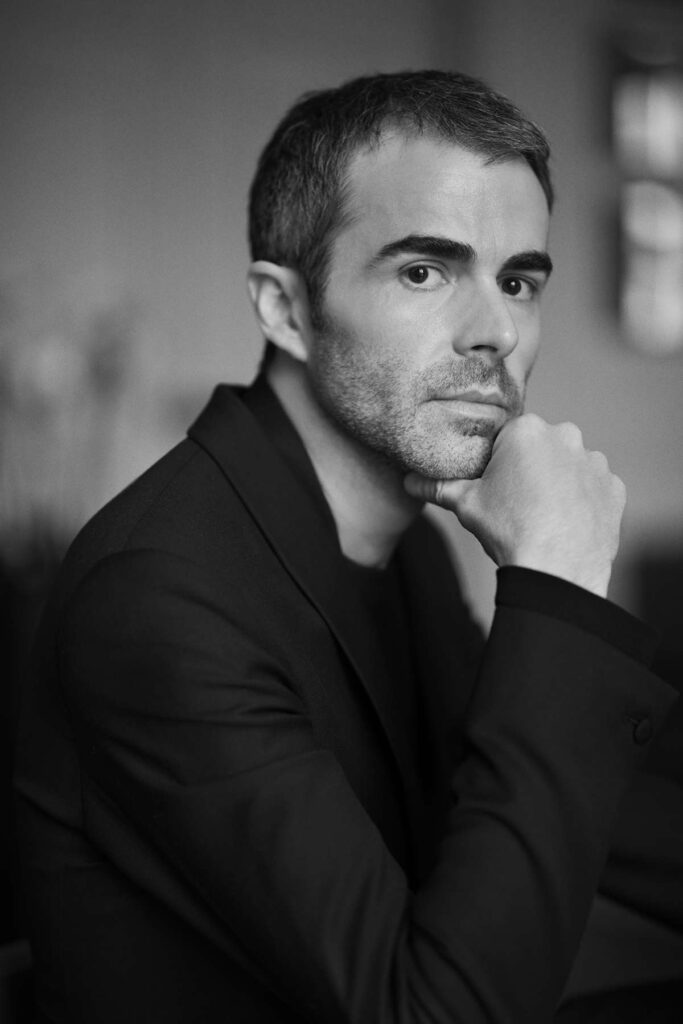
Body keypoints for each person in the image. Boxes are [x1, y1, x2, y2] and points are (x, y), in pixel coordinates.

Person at [14, 70, 683, 1023]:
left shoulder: (403, 544)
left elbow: (523, 811)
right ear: (284, 310)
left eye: (517, 281)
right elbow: (437, 1012)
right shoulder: (158, 598)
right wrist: (558, 586)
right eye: (423, 271)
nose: (496, 331)